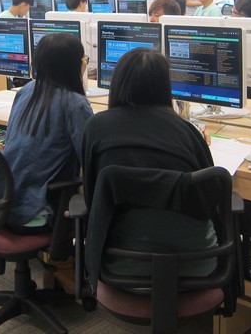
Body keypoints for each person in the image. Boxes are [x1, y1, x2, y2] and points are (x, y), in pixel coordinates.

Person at [81, 47, 216, 275]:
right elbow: (211, 195)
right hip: (197, 263)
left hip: (120, 263)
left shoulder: (97, 126)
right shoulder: (188, 131)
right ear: (165, 86)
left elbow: (92, 195)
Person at [2, 33, 93, 231]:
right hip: (36, 210)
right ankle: (64, 256)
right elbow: (91, 160)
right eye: (84, 60)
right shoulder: (75, 104)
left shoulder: (26, 90)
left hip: (3, 203)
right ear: (74, 66)